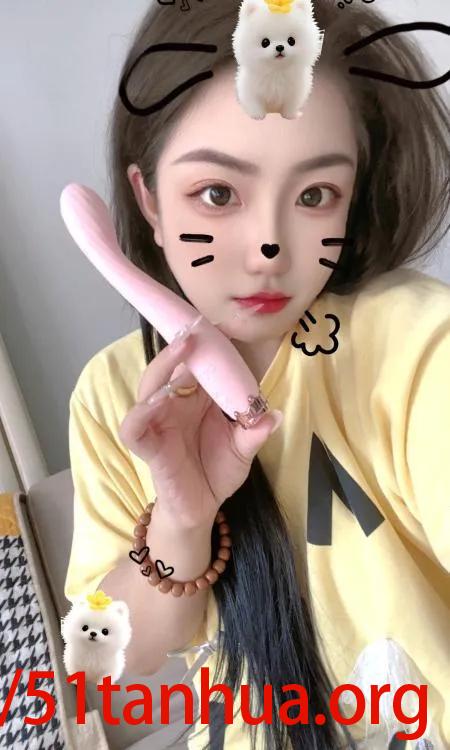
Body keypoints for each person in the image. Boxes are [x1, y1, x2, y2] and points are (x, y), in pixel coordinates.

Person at [64, 0, 450, 748]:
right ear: (148, 201)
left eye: (315, 195)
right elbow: (106, 665)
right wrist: (182, 519)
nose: (269, 248)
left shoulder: (414, 343)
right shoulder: (111, 396)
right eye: (217, 194)